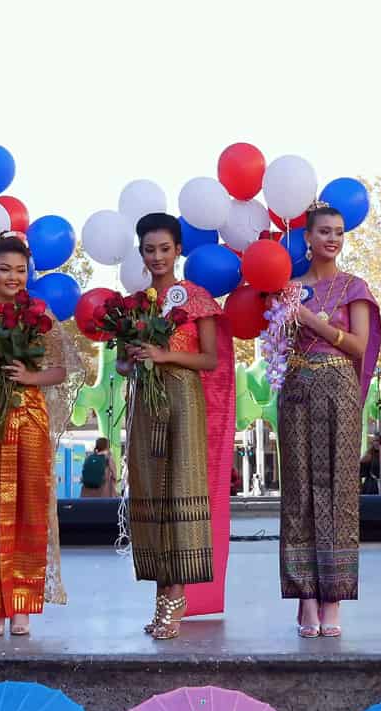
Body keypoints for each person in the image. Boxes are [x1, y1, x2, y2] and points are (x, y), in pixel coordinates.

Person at [0, 232, 79, 637]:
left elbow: (61, 369)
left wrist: (28, 376)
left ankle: (22, 602)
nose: (13, 277)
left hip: (30, 419)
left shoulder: (40, 314)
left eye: (20, 270)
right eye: (4, 269)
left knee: (28, 506)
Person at [119, 212, 234, 640]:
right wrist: (130, 357)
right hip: (145, 400)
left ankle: (176, 600)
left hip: (184, 398)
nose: (157, 257)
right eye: (149, 250)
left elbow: (209, 359)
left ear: (178, 250)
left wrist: (162, 355)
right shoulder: (132, 304)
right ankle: (159, 599)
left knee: (180, 488)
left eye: (165, 249)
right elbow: (122, 363)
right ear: (141, 252)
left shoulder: (196, 298)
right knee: (150, 492)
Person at [277, 203, 381, 639]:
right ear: (307, 237)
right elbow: (275, 343)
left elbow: (358, 347)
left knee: (339, 489)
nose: (332, 239)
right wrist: (284, 318)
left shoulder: (354, 287)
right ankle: (305, 596)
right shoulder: (287, 289)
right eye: (323, 231)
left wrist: (313, 323)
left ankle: (333, 596)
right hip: (297, 387)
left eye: (338, 232)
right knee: (298, 488)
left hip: (338, 386)